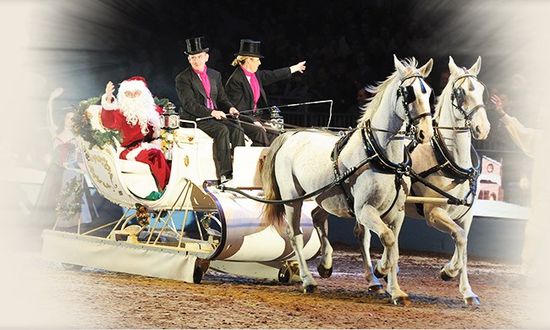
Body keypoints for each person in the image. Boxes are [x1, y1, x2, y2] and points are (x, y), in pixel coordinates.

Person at [175, 36, 244, 183]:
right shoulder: (183, 78)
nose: (196, 60)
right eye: (193, 57)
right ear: (189, 59)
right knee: (222, 130)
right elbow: (189, 104)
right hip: (196, 117)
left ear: (206, 57)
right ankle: (226, 173)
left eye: (199, 56)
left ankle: (240, 169)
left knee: (237, 127)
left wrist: (230, 108)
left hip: (214, 115)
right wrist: (211, 112)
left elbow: (221, 99)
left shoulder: (215, 75)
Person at [225, 39, 306, 146]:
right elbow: (240, 109)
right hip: (241, 119)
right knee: (259, 131)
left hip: (254, 117)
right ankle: (259, 160)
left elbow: (273, 75)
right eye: (257, 60)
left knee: (275, 133)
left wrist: (294, 68)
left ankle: (271, 159)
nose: (260, 63)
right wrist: (255, 121)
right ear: (249, 60)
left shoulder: (255, 75)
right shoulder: (235, 80)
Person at [101, 76, 171, 199]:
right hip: (129, 149)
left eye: (136, 93)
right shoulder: (120, 112)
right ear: (123, 96)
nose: (133, 97)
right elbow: (108, 122)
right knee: (153, 154)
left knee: (172, 151)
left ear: (144, 94)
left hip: (152, 144)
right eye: (128, 94)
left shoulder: (153, 111)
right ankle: (168, 189)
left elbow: (168, 124)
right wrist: (108, 99)